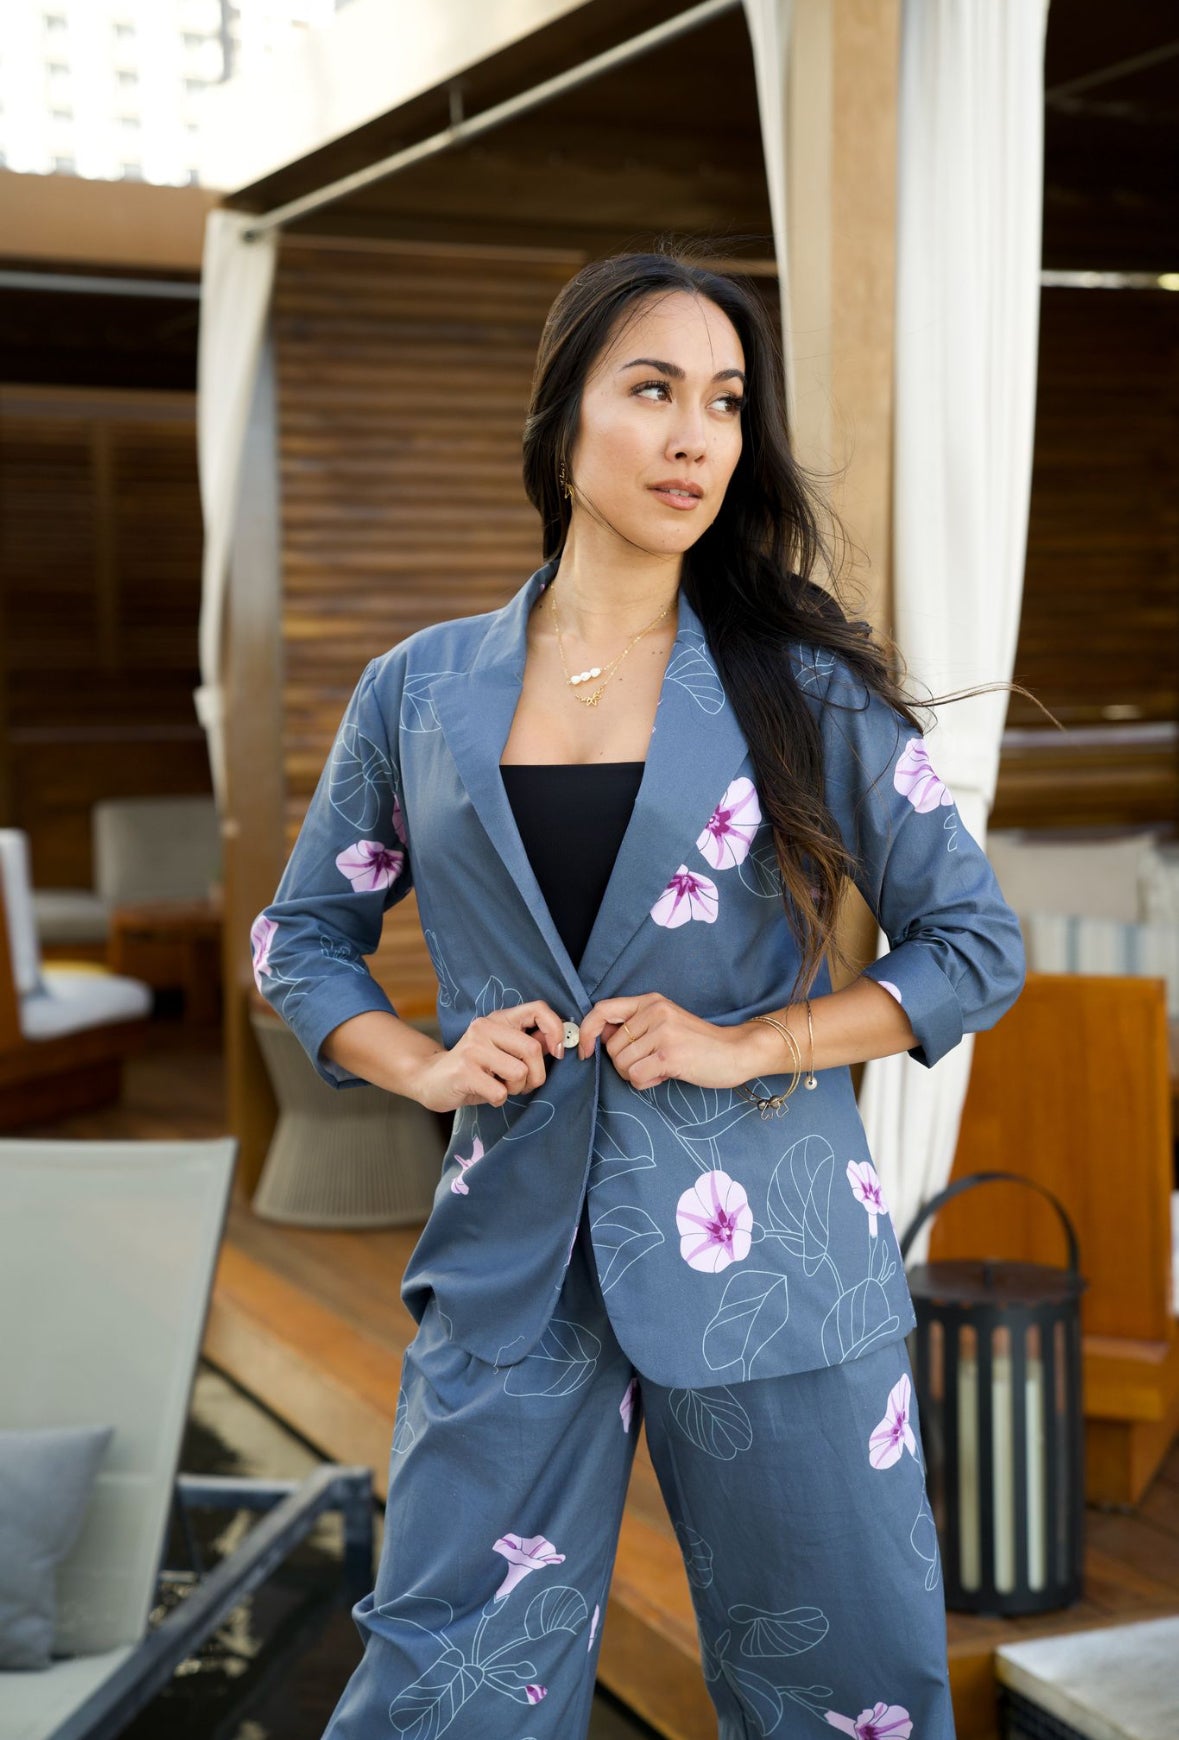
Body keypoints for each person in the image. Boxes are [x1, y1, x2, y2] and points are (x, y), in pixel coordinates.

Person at [251, 247, 1025, 1740]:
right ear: (563, 424)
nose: (695, 438)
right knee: (442, 1699)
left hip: (778, 1262)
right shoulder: (419, 690)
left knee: (843, 1700)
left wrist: (749, 1045)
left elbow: (972, 944)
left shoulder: (800, 688)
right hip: (511, 1267)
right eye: (653, 391)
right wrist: (426, 1065)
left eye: (725, 404)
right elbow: (303, 936)